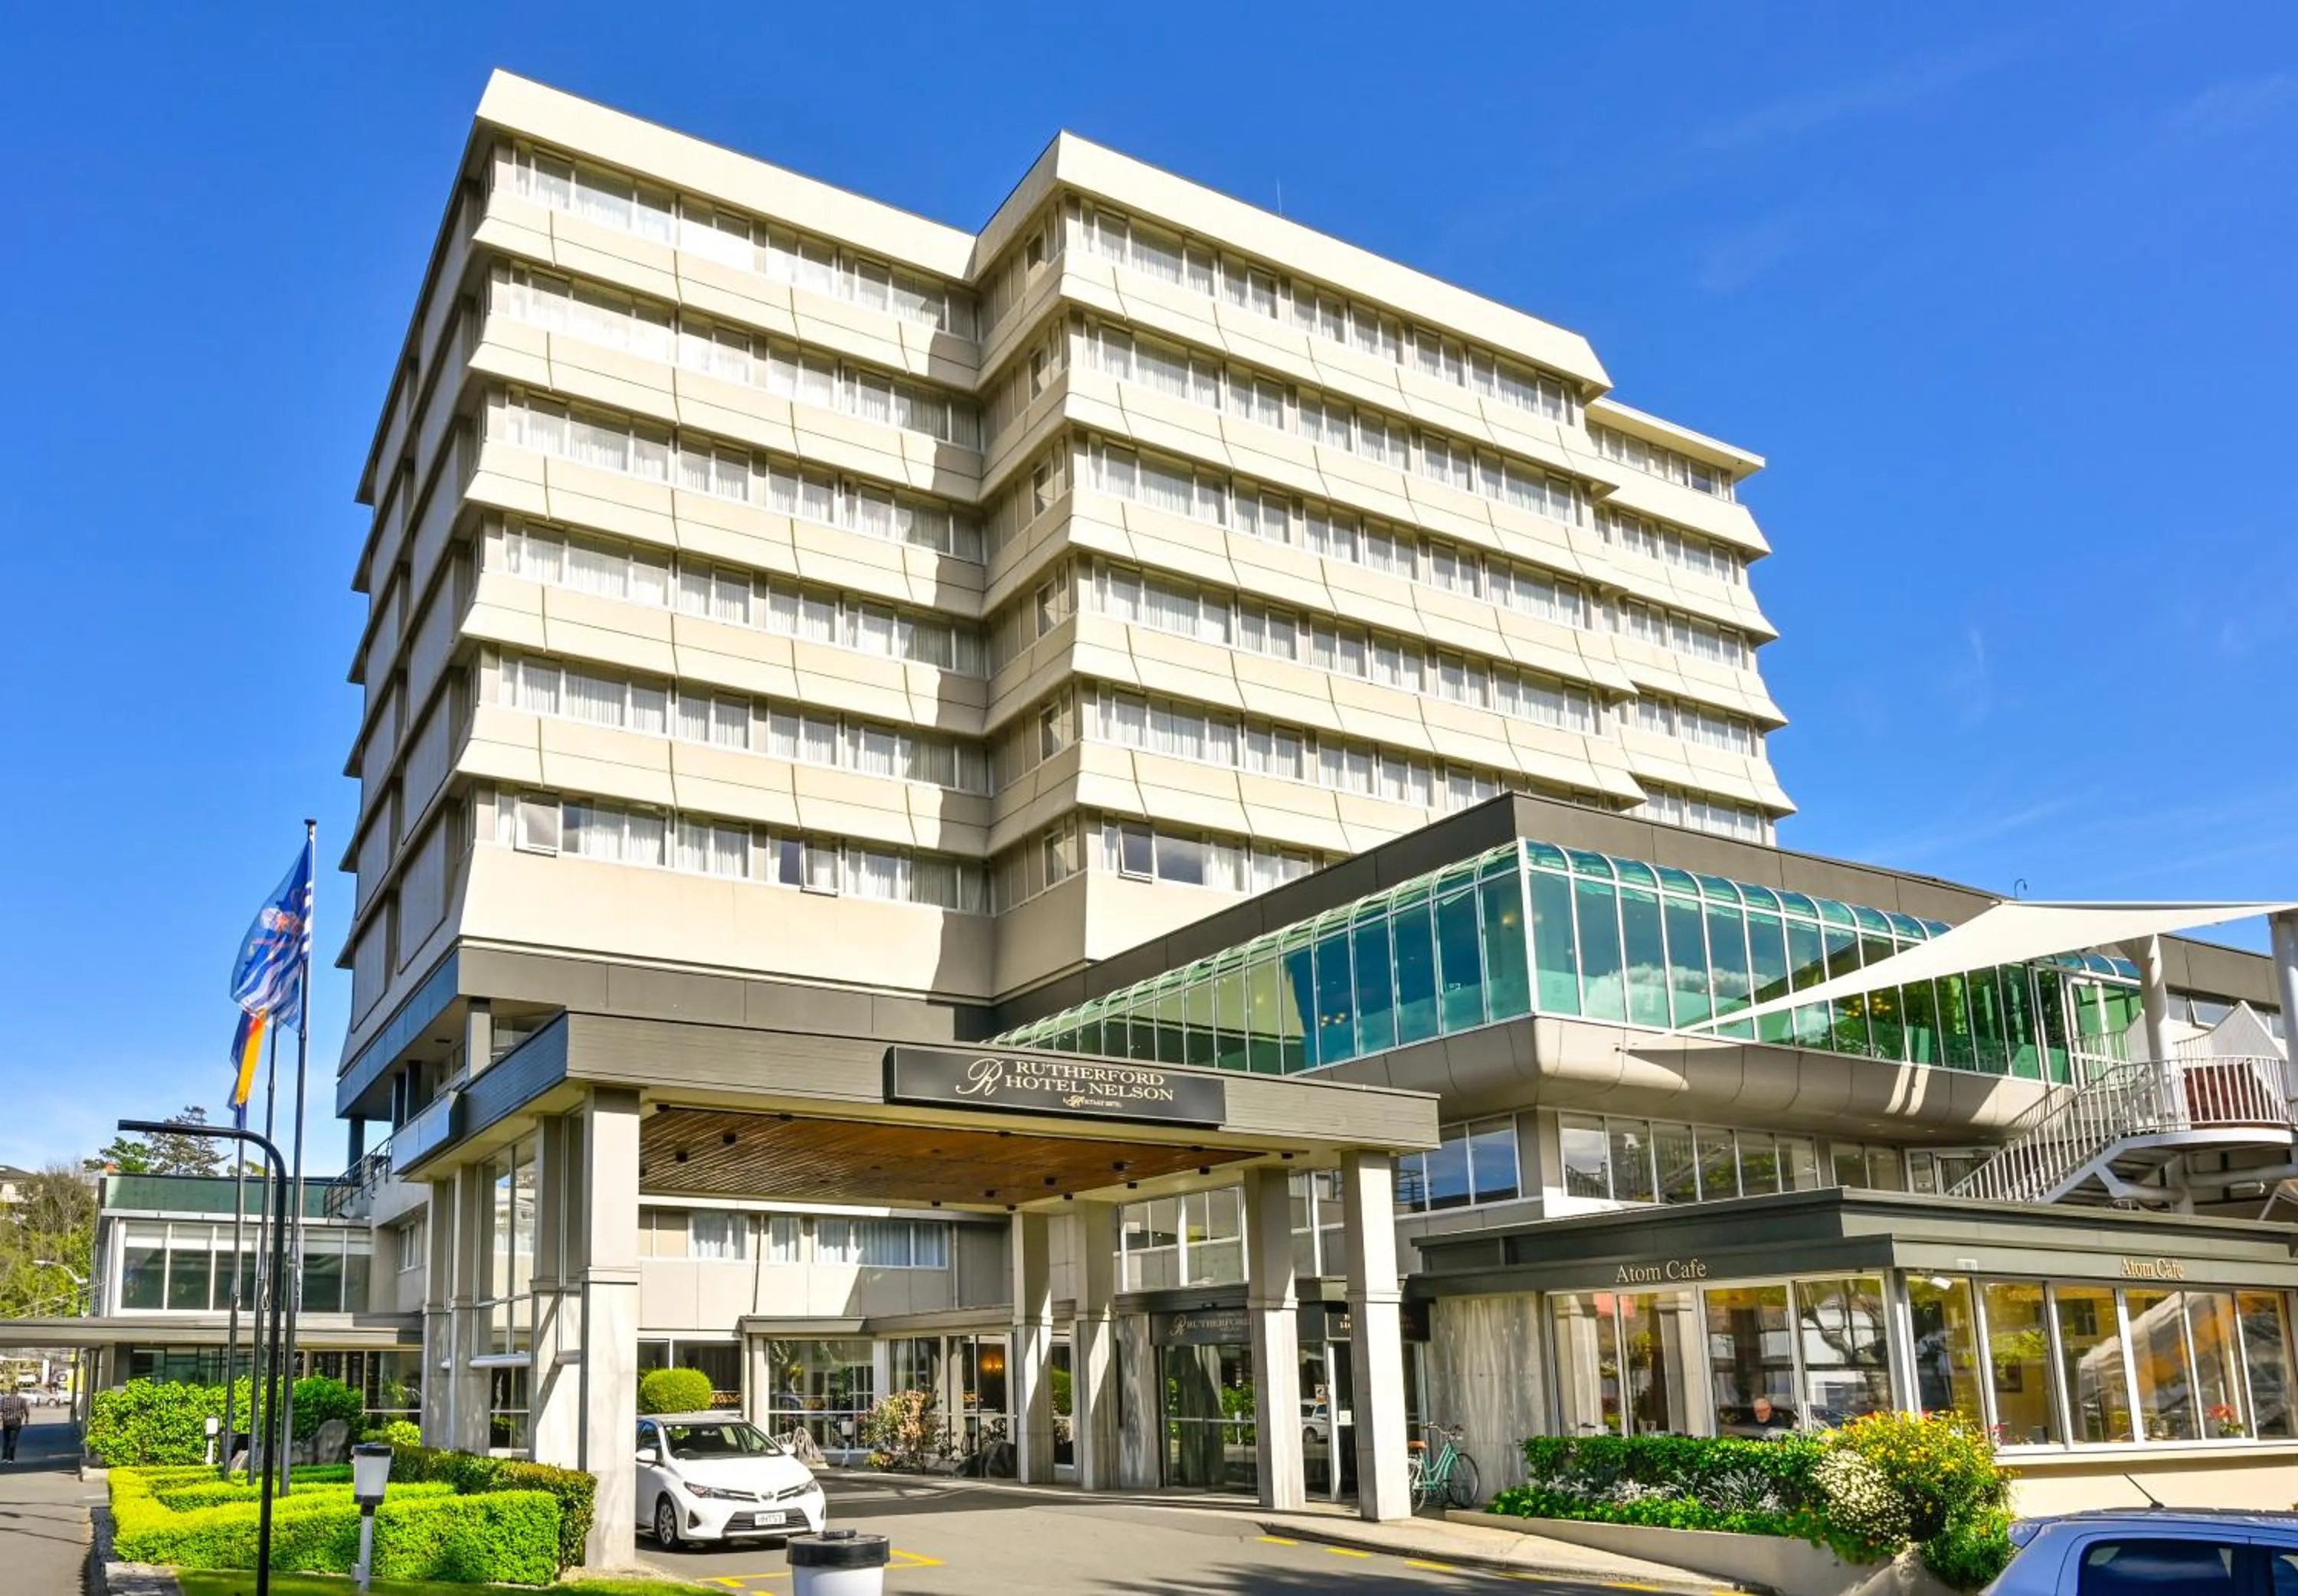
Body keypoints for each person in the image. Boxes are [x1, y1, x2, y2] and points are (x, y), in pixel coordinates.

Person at [0, 1388, 28, 1463]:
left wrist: (2, 1417)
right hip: (16, 1422)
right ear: (17, 1392)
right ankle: (11, 1459)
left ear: (11, 1391)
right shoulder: (21, 1399)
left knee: (6, 1440)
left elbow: (1, 1409)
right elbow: (26, 1409)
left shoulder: (4, 1399)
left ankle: (4, 1458)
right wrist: (27, 1419)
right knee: (13, 1440)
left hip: (6, 1422)